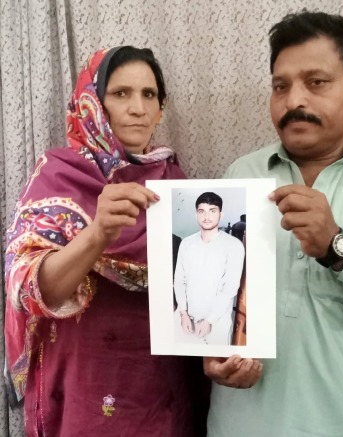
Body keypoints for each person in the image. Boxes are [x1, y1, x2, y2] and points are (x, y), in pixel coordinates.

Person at [205, 11, 343, 436]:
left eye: (316, 82)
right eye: (280, 86)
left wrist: (338, 246)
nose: (294, 100)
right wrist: (214, 351)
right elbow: (219, 294)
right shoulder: (241, 174)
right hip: (246, 424)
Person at [5, 46, 209, 436]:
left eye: (149, 95)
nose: (138, 108)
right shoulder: (58, 176)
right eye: (121, 94)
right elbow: (30, 290)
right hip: (82, 389)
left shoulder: (178, 187)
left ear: (161, 108)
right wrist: (97, 234)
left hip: (160, 391)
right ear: (93, 104)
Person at [174, 192, 245, 345]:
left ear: (221, 214)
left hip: (216, 324)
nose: (206, 216)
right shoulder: (186, 243)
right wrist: (182, 313)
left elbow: (230, 288)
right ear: (196, 215)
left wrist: (209, 320)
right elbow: (179, 280)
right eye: (202, 211)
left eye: (212, 211)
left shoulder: (233, 245)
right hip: (185, 321)